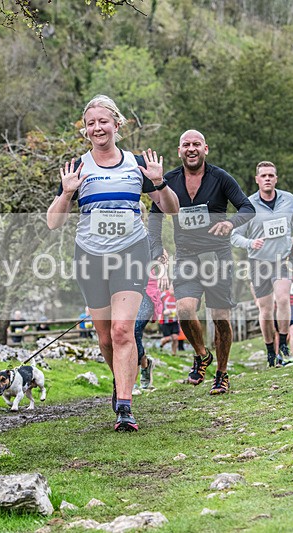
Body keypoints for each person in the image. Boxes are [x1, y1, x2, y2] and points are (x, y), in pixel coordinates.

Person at [47, 94, 179, 431]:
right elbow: (53, 222)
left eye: (103, 121)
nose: (96, 128)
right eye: (90, 123)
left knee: (123, 331)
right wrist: (65, 194)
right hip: (90, 256)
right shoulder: (78, 167)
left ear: (116, 125)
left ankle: (125, 405)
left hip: (130, 253)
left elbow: (172, 208)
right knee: (105, 339)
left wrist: (160, 181)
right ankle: (121, 383)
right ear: (85, 130)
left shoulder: (137, 165)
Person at [149, 130, 255, 394]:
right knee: (184, 310)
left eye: (196, 144)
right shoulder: (168, 180)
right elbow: (154, 217)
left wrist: (231, 223)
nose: (192, 149)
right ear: (179, 151)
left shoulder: (220, 178)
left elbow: (247, 208)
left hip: (217, 256)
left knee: (220, 317)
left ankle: (221, 373)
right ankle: (201, 354)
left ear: (205, 149)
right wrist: (157, 248)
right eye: (186, 145)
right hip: (186, 256)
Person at [231, 161, 293, 368]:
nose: (267, 179)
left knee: (283, 299)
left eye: (271, 175)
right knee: (265, 309)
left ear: (276, 178)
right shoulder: (248, 205)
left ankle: (283, 346)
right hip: (258, 262)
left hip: (283, 259)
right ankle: (269, 351)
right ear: (257, 179)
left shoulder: (289, 200)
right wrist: (250, 242)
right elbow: (234, 235)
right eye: (263, 176)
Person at [133, 201, 164, 392]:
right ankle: (144, 362)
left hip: (147, 292)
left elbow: (160, 259)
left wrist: (163, 272)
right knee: (123, 334)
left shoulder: (149, 238)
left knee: (134, 329)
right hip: (123, 292)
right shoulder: (116, 239)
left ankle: (134, 381)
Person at [158, 286, 179, 355]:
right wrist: (162, 312)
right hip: (165, 321)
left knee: (175, 338)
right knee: (167, 339)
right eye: (172, 289)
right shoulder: (164, 295)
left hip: (175, 321)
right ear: (169, 289)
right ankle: (161, 343)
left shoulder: (179, 296)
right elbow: (157, 304)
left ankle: (174, 354)